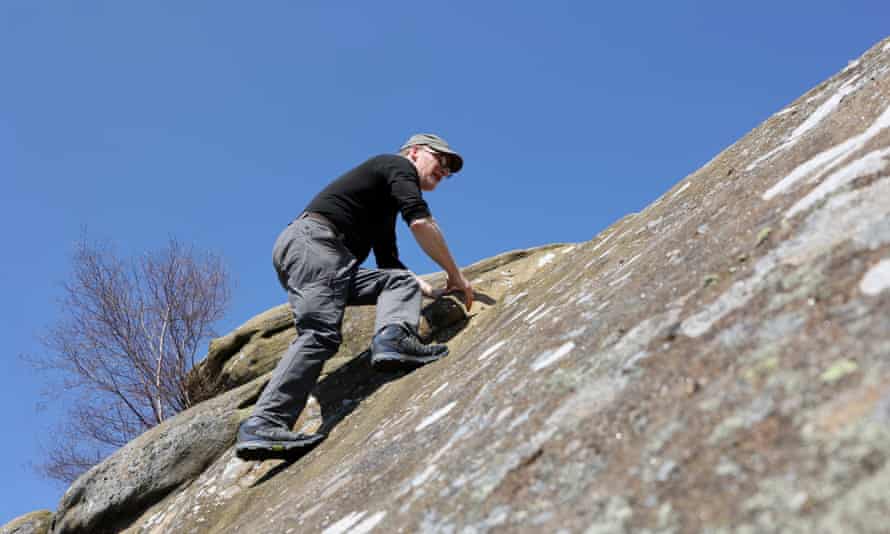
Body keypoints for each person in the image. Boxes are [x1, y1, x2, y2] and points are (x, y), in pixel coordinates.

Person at [236, 133, 474, 459]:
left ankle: (393, 341)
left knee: (397, 282)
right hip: (316, 244)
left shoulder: (381, 202)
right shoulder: (395, 165)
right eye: (441, 161)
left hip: (327, 256)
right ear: (415, 152)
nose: (444, 172)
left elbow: (390, 264)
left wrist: (433, 292)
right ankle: (264, 423)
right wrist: (455, 274)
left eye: (449, 170)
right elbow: (419, 221)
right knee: (320, 334)